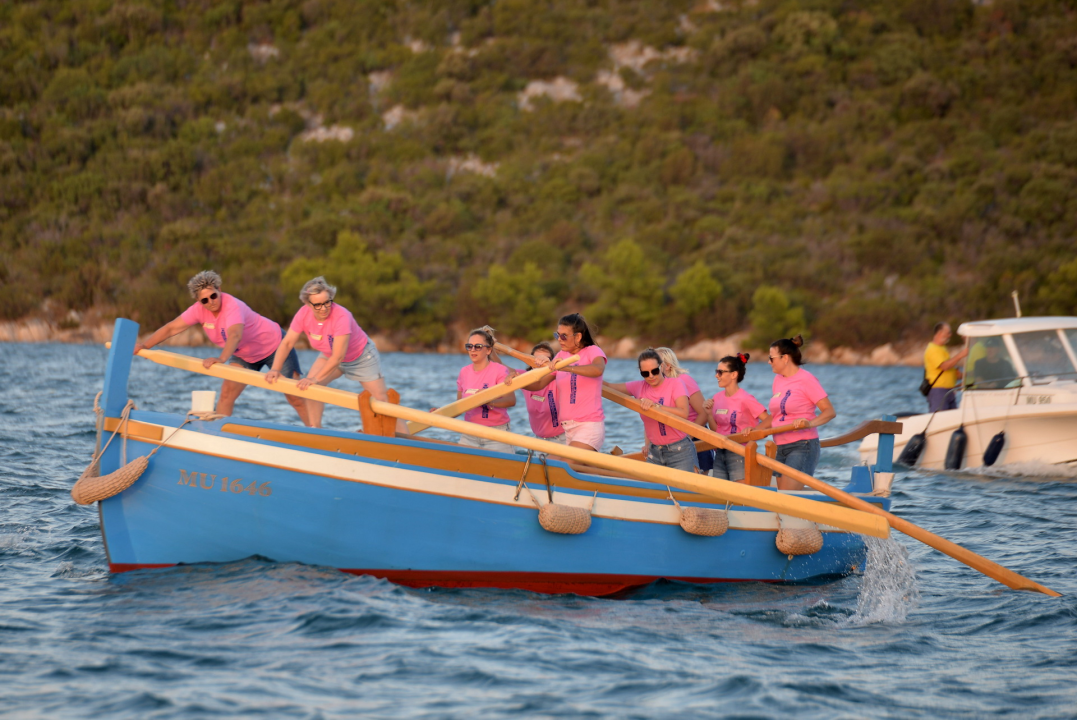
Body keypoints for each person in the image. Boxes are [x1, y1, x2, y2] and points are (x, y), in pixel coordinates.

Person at [133, 270, 310, 425]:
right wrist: (145, 345)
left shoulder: (232, 306)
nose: (210, 301)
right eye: (204, 300)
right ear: (198, 301)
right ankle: (219, 434)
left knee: (294, 397)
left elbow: (235, 335)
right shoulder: (197, 311)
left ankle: (316, 432)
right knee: (226, 394)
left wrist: (221, 359)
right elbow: (172, 327)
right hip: (245, 355)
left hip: (276, 346)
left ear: (219, 291)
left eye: (213, 296)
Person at [266, 276, 398, 431]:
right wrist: (275, 368)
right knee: (309, 388)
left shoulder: (341, 316)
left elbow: (339, 356)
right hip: (329, 355)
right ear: (308, 304)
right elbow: (287, 343)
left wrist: (315, 378)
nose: (324, 308)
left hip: (361, 357)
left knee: (382, 401)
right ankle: (315, 430)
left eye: (327, 302)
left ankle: (405, 439)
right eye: (318, 305)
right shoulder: (302, 315)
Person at [757, 335, 836, 490]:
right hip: (781, 446)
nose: (768, 362)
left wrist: (809, 423)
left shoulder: (807, 380)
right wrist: (755, 431)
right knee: (781, 496)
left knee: (787, 496)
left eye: (771, 358)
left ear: (784, 358)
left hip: (802, 445)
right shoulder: (778, 380)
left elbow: (830, 411)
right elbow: (777, 416)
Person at [604, 348, 695, 472]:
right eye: (645, 374)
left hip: (680, 451)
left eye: (655, 371)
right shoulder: (638, 387)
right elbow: (608, 387)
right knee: (653, 490)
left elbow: (683, 413)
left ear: (662, 366)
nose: (651, 376)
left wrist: (655, 406)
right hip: (654, 451)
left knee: (682, 492)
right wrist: (583, 373)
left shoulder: (676, 384)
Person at [529, 313, 607, 452]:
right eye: (557, 335)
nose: (559, 340)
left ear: (578, 336)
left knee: (560, 465)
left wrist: (565, 367)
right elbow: (539, 384)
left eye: (564, 336)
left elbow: (598, 369)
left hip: (588, 426)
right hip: (568, 428)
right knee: (550, 464)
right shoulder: (561, 355)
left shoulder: (593, 351)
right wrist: (515, 378)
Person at [704, 353, 770, 482]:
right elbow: (716, 430)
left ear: (734, 375)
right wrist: (708, 414)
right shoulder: (716, 398)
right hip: (720, 452)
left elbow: (769, 420)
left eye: (720, 372)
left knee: (740, 497)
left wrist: (755, 430)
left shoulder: (746, 398)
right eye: (716, 372)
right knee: (721, 495)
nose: (716, 375)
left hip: (740, 452)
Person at [451, 326, 516, 454]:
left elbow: (511, 400)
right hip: (469, 434)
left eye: (478, 346)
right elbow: (459, 406)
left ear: (488, 350)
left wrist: (488, 401)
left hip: (496, 434)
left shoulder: (500, 370)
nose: (473, 350)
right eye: (470, 346)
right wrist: (440, 413)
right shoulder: (464, 372)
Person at [655, 347, 711, 472]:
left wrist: (687, 438)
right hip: (672, 440)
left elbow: (704, 414)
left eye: (655, 363)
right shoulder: (657, 385)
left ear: (667, 366)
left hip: (694, 437)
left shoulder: (684, 380)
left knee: (697, 486)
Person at [521, 341, 566, 443]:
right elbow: (502, 369)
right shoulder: (524, 377)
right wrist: (492, 349)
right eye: (536, 359)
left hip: (563, 438)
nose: (540, 363)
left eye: (545, 360)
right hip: (540, 441)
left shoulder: (558, 377)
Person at [924, 321, 968, 412]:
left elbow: (949, 368)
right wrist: (961, 355)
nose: (950, 335)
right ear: (940, 333)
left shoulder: (942, 349)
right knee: (939, 419)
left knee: (953, 420)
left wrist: (964, 375)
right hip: (939, 392)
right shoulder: (933, 349)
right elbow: (944, 366)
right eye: (948, 333)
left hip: (949, 391)